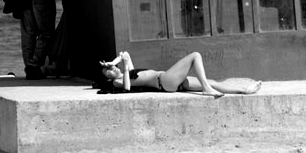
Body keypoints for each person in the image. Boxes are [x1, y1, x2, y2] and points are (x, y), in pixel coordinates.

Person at [99, 51, 262, 97]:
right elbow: (127, 89)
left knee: (212, 81)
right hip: (164, 81)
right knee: (195, 55)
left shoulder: (127, 71)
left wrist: (114, 61)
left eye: (113, 67)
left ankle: (243, 91)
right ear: (108, 77)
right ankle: (206, 89)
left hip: (169, 81)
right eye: (110, 71)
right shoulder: (118, 82)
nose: (114, 69)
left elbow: (126, 57)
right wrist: (121, 66)